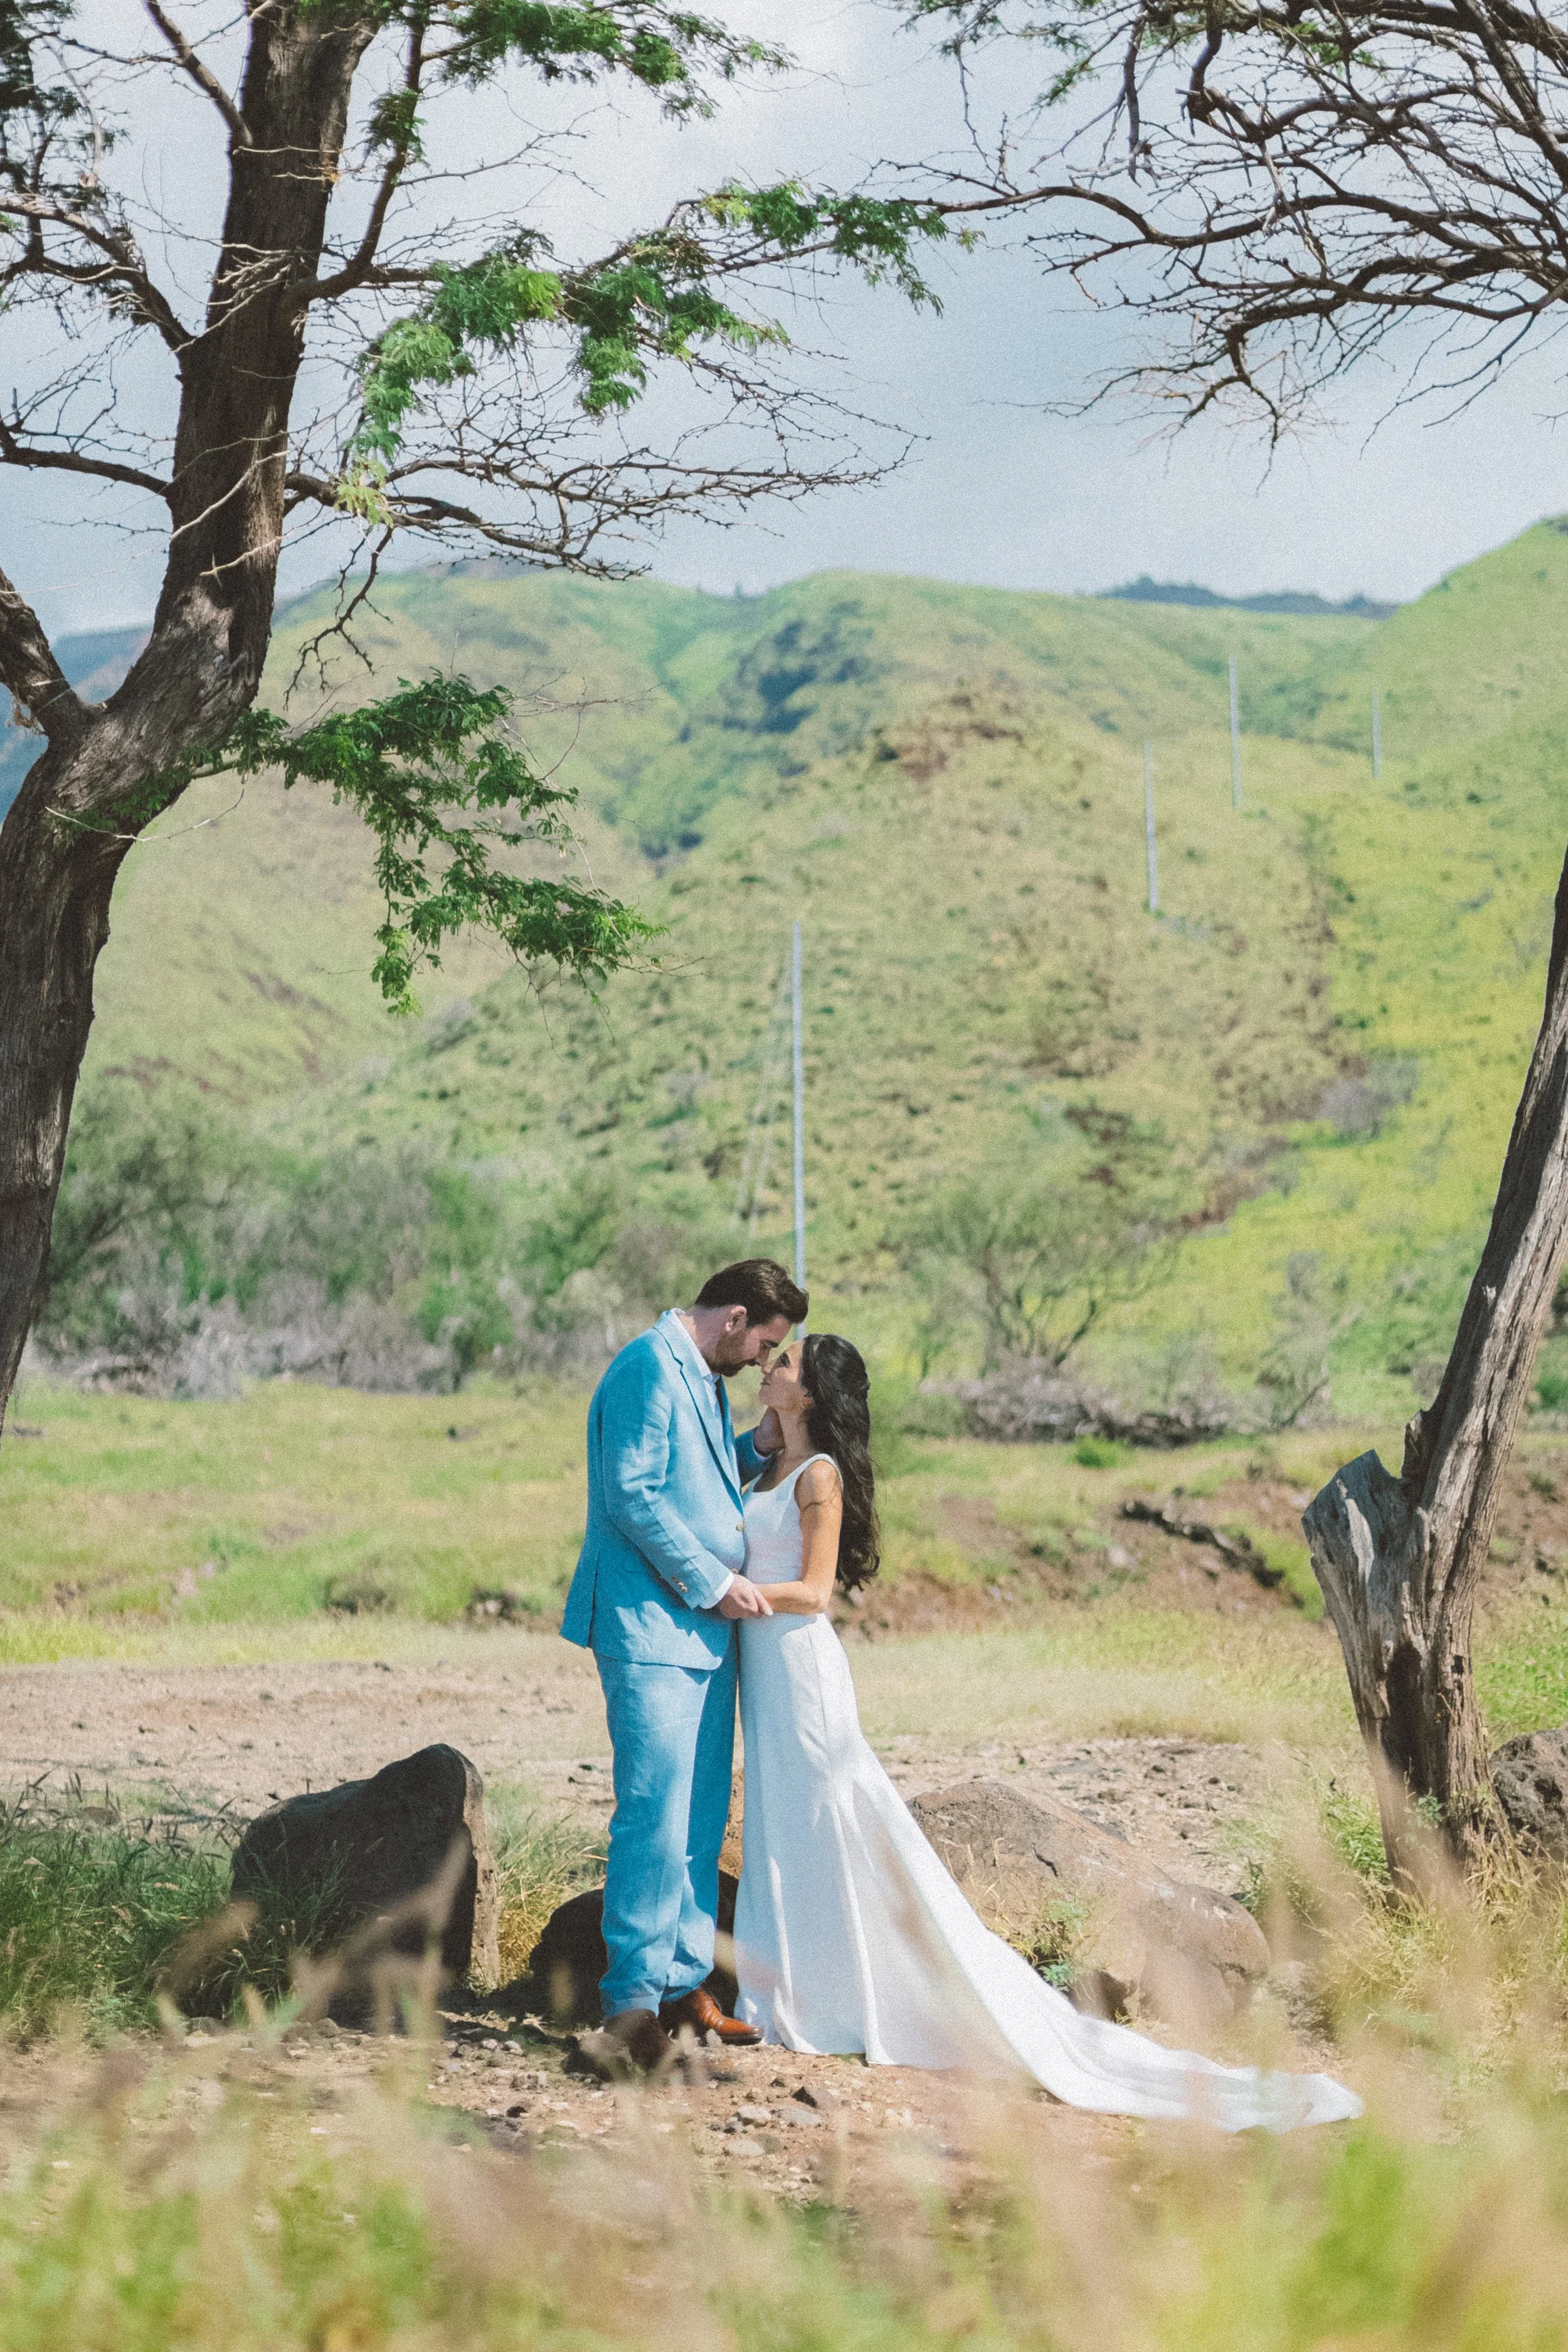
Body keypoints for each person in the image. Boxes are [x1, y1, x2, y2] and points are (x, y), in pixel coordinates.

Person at [731, 1332, 1364, 2132]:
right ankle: (797, 1988)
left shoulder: (818, 1476)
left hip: (801, 1670)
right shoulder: (773, 1462)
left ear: (811, 1395)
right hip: (767, 1675)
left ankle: (863, 1996)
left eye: (782, 1365)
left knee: (834, 1824)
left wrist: (734, 1592)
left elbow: (816, 1591)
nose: (768, 1368)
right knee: (787, 1827)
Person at [561, 1257, 808, 2076]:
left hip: (703, 1634)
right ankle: (629, 2002)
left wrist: (754, 1449)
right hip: (650, 1624)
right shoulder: (644, 1366)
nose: (763, 1362)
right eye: (765, 1342)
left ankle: (682, 1984)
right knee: (653, 1815)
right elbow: (632, 1493)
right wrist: (715, 1579)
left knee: (700, 1819)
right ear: (734, 1317)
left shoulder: (700, 1375)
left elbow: (692, 1485)